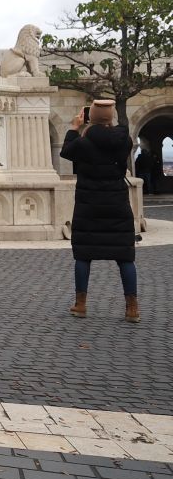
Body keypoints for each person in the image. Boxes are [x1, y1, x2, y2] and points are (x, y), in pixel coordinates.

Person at [61, 100, 139, 322]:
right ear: (111, 116)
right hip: (117, 204)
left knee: (83, 255)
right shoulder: (125, 140)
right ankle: (132, 308)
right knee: (125, 257)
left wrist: (75, 128)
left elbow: (66, 151)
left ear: (91, 117)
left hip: (89, 205)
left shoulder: (83, 143)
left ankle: (80, 304)